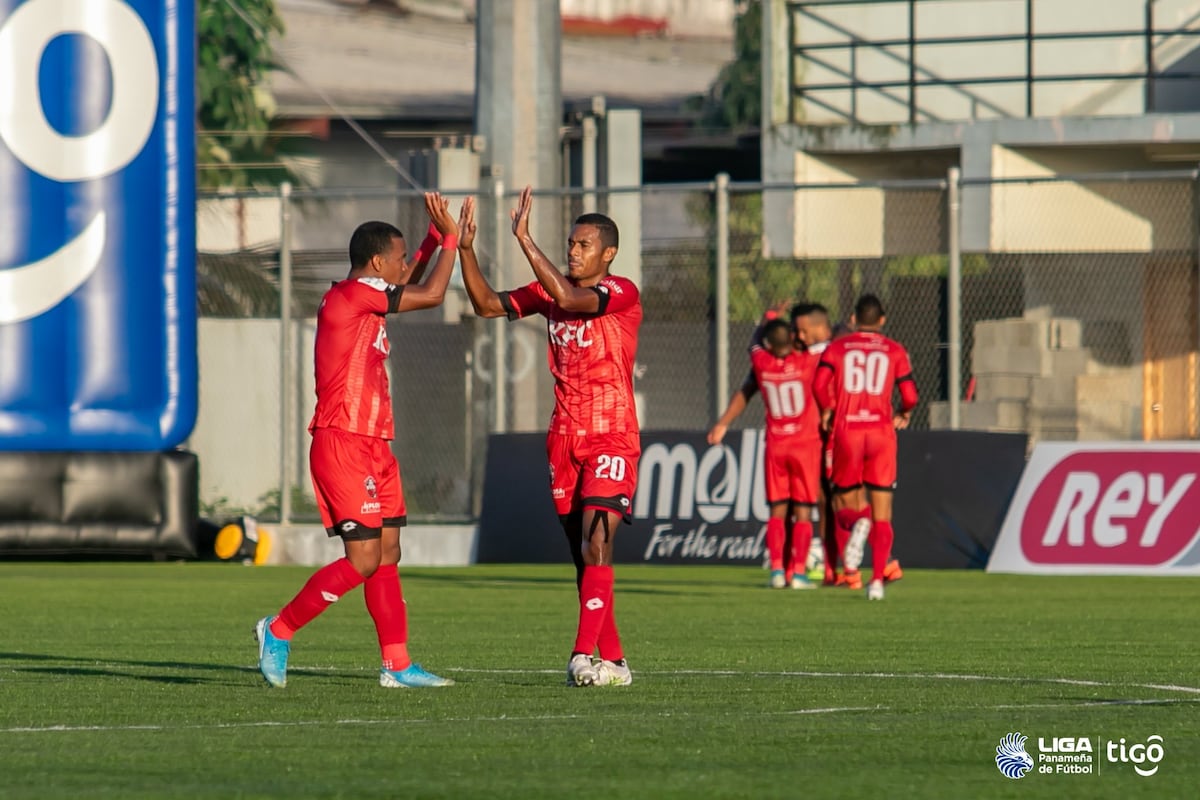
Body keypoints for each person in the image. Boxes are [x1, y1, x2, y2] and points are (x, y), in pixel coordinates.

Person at [255, 193, 461, 688]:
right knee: (363, 559)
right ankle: (277, 630)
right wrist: (452, 241)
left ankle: (397, 665)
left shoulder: (367, 295)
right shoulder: (352, 296)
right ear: (376, 264)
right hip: (343, 440)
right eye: (399, 258)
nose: (404, 265)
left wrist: (431, 239)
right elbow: (431, 294)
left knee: (387, 553)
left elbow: (409, 283)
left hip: (374, 444)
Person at [457, 187, 641, 688]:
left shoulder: (620, 292)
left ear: (609, 253)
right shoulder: (549, 291)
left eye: (584, 245)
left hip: (611, 435)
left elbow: (569, 299)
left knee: (598, 540)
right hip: (563, 440)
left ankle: (581, 655)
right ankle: (616, 662)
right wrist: (466, 250)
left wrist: (524, 239)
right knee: (585, 559)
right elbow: (486, 305)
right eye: (571, 244)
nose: (574, 252)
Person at [813, 294, 918, 601]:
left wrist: (828, 408)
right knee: (883, 513)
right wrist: (905, 412)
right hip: (881, 433)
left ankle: (859, 523)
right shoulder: (895, 350)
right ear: (882, 320)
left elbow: (818, 385)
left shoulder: (837, 348)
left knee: (843, 505)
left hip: (848, 432)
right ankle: (877, 582)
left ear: (853, 318)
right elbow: (910, 395)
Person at [708, 318, 822, 590]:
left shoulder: (762, 364)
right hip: (805, 445)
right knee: (803, 511)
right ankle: (799, 573)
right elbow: (823, 345)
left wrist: (767, 319)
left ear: (770, 345)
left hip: (776, 445)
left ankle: (777, 571)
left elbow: (754, 344)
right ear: (792, 337)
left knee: (777, 510)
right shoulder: (807, 362)